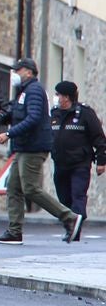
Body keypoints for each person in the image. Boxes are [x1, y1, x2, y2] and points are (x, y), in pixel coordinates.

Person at [0, 59, 84, 244]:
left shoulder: (33, 91)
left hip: (32, 148)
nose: (15, 74)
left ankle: (70, 218)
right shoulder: (24, 92)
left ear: (29, 72)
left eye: (18, 70)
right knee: (14, 188)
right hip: (24, 147)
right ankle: (14, 231)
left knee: (31, 189)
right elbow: (19, 115)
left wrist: (9, 134)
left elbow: (33, 118)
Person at [49, 81, 106, 240]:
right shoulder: (54, 113)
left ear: (66, 97)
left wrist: (101, 161)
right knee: (64, 198)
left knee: (78, 195)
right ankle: (71, 224)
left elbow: (99, 138)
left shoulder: (85, 113)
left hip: (80, 163)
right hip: (60, 163)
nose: (56, 97)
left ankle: (75, 229)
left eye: (58, 94)